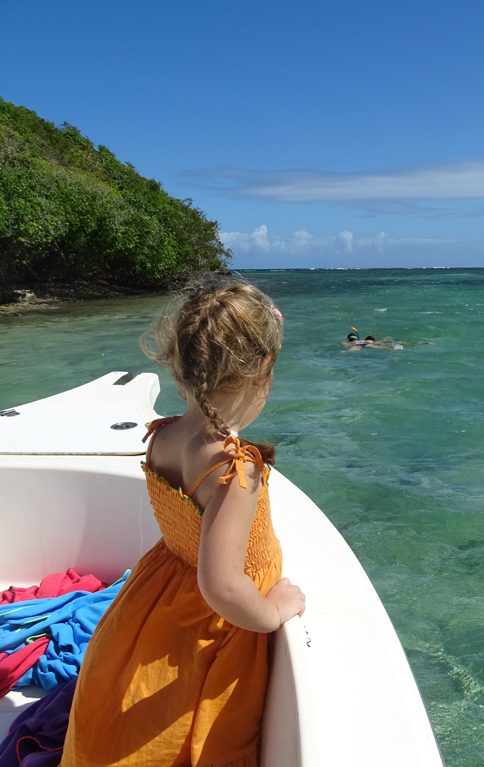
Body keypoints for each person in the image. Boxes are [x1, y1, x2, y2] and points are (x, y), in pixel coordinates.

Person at [61, 273, 306, 767]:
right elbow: (223, 585)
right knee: (201, 736)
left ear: (180, 367)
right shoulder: (236, 469)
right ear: (262, 371)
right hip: (212, 625)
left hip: (156, 599)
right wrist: (274, 611)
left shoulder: (162, 436)